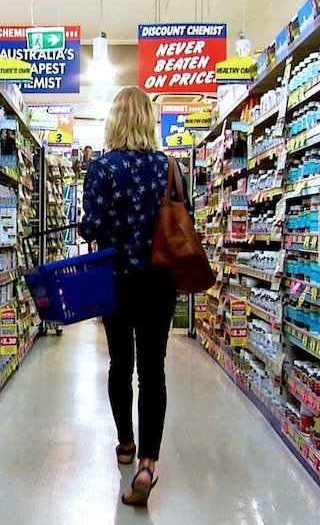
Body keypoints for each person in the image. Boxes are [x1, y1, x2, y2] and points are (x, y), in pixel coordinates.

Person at [79, 86, 187, 507]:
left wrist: (91, 228)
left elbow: (94, 225)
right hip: (161, 280)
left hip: (116, 280)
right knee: (154, 370)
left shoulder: (101, 168)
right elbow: (184, 219)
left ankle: (125, 442)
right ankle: (147, 463)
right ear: (149, 120)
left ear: (114, 121)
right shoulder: (169, 166)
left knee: (120, 364)